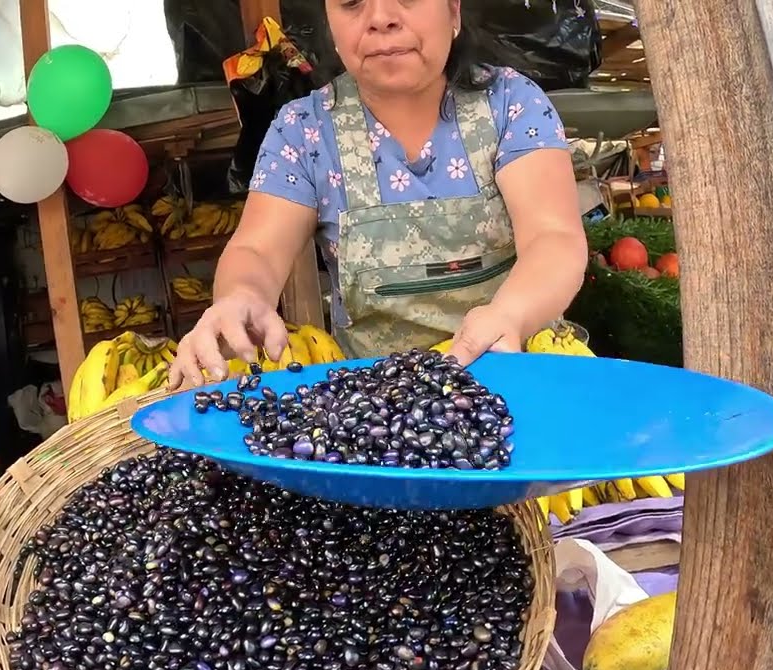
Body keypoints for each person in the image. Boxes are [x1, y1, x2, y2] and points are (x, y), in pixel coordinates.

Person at [167, 0, 588, 389]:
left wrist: (509, 316)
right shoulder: (303, 131)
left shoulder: (511, 104)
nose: (380, 16)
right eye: (351, 1)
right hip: (378, 412)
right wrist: (241, 296)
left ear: (453, 10)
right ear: (330, 23)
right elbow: (256, 249)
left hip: (525, 378)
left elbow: (554, 238)